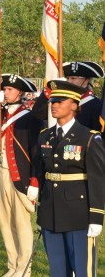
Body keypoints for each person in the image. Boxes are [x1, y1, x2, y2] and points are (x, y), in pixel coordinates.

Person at [0, 74, 43, 277]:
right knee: (5, 223)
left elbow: (35, 151)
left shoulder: (29, 118)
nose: (5, 92)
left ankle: (25, 268)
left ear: (20, 93)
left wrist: (35, 180)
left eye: (9, 90)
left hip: (20, 176)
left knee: (21, 224)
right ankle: (13, 266)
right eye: (3, 89)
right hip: (0, 172)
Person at [35, 80, 105, 276]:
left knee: (82, 270)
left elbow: (97, 179)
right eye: (53, 101)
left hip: (78, 214)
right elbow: (43, 175)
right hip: (51, 212)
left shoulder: (88, 137)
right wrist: (42, 210)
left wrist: (96, 217)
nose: (54, 105)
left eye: (60, 101)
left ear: (74, 105)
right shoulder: (45, 136)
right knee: (57, 270)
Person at [32, 61, 104, 133]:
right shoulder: (60, 99)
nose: (69, 81)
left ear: (86, 81)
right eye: (68, 78)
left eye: (73, 78)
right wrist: (50, 89)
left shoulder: (96, 105)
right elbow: (38, 115)